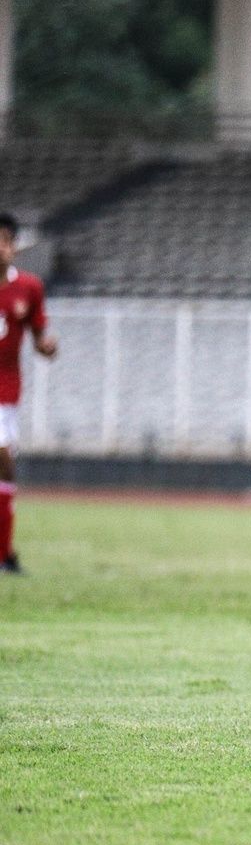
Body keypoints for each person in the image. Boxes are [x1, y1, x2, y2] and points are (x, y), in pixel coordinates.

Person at [0, 212, 57, 575]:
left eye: (4, 240)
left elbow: (39, 338)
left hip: (5, 392)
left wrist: (47, 347)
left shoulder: (29, 288)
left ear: (14, 246)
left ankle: (4, 551)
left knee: (4, 461)